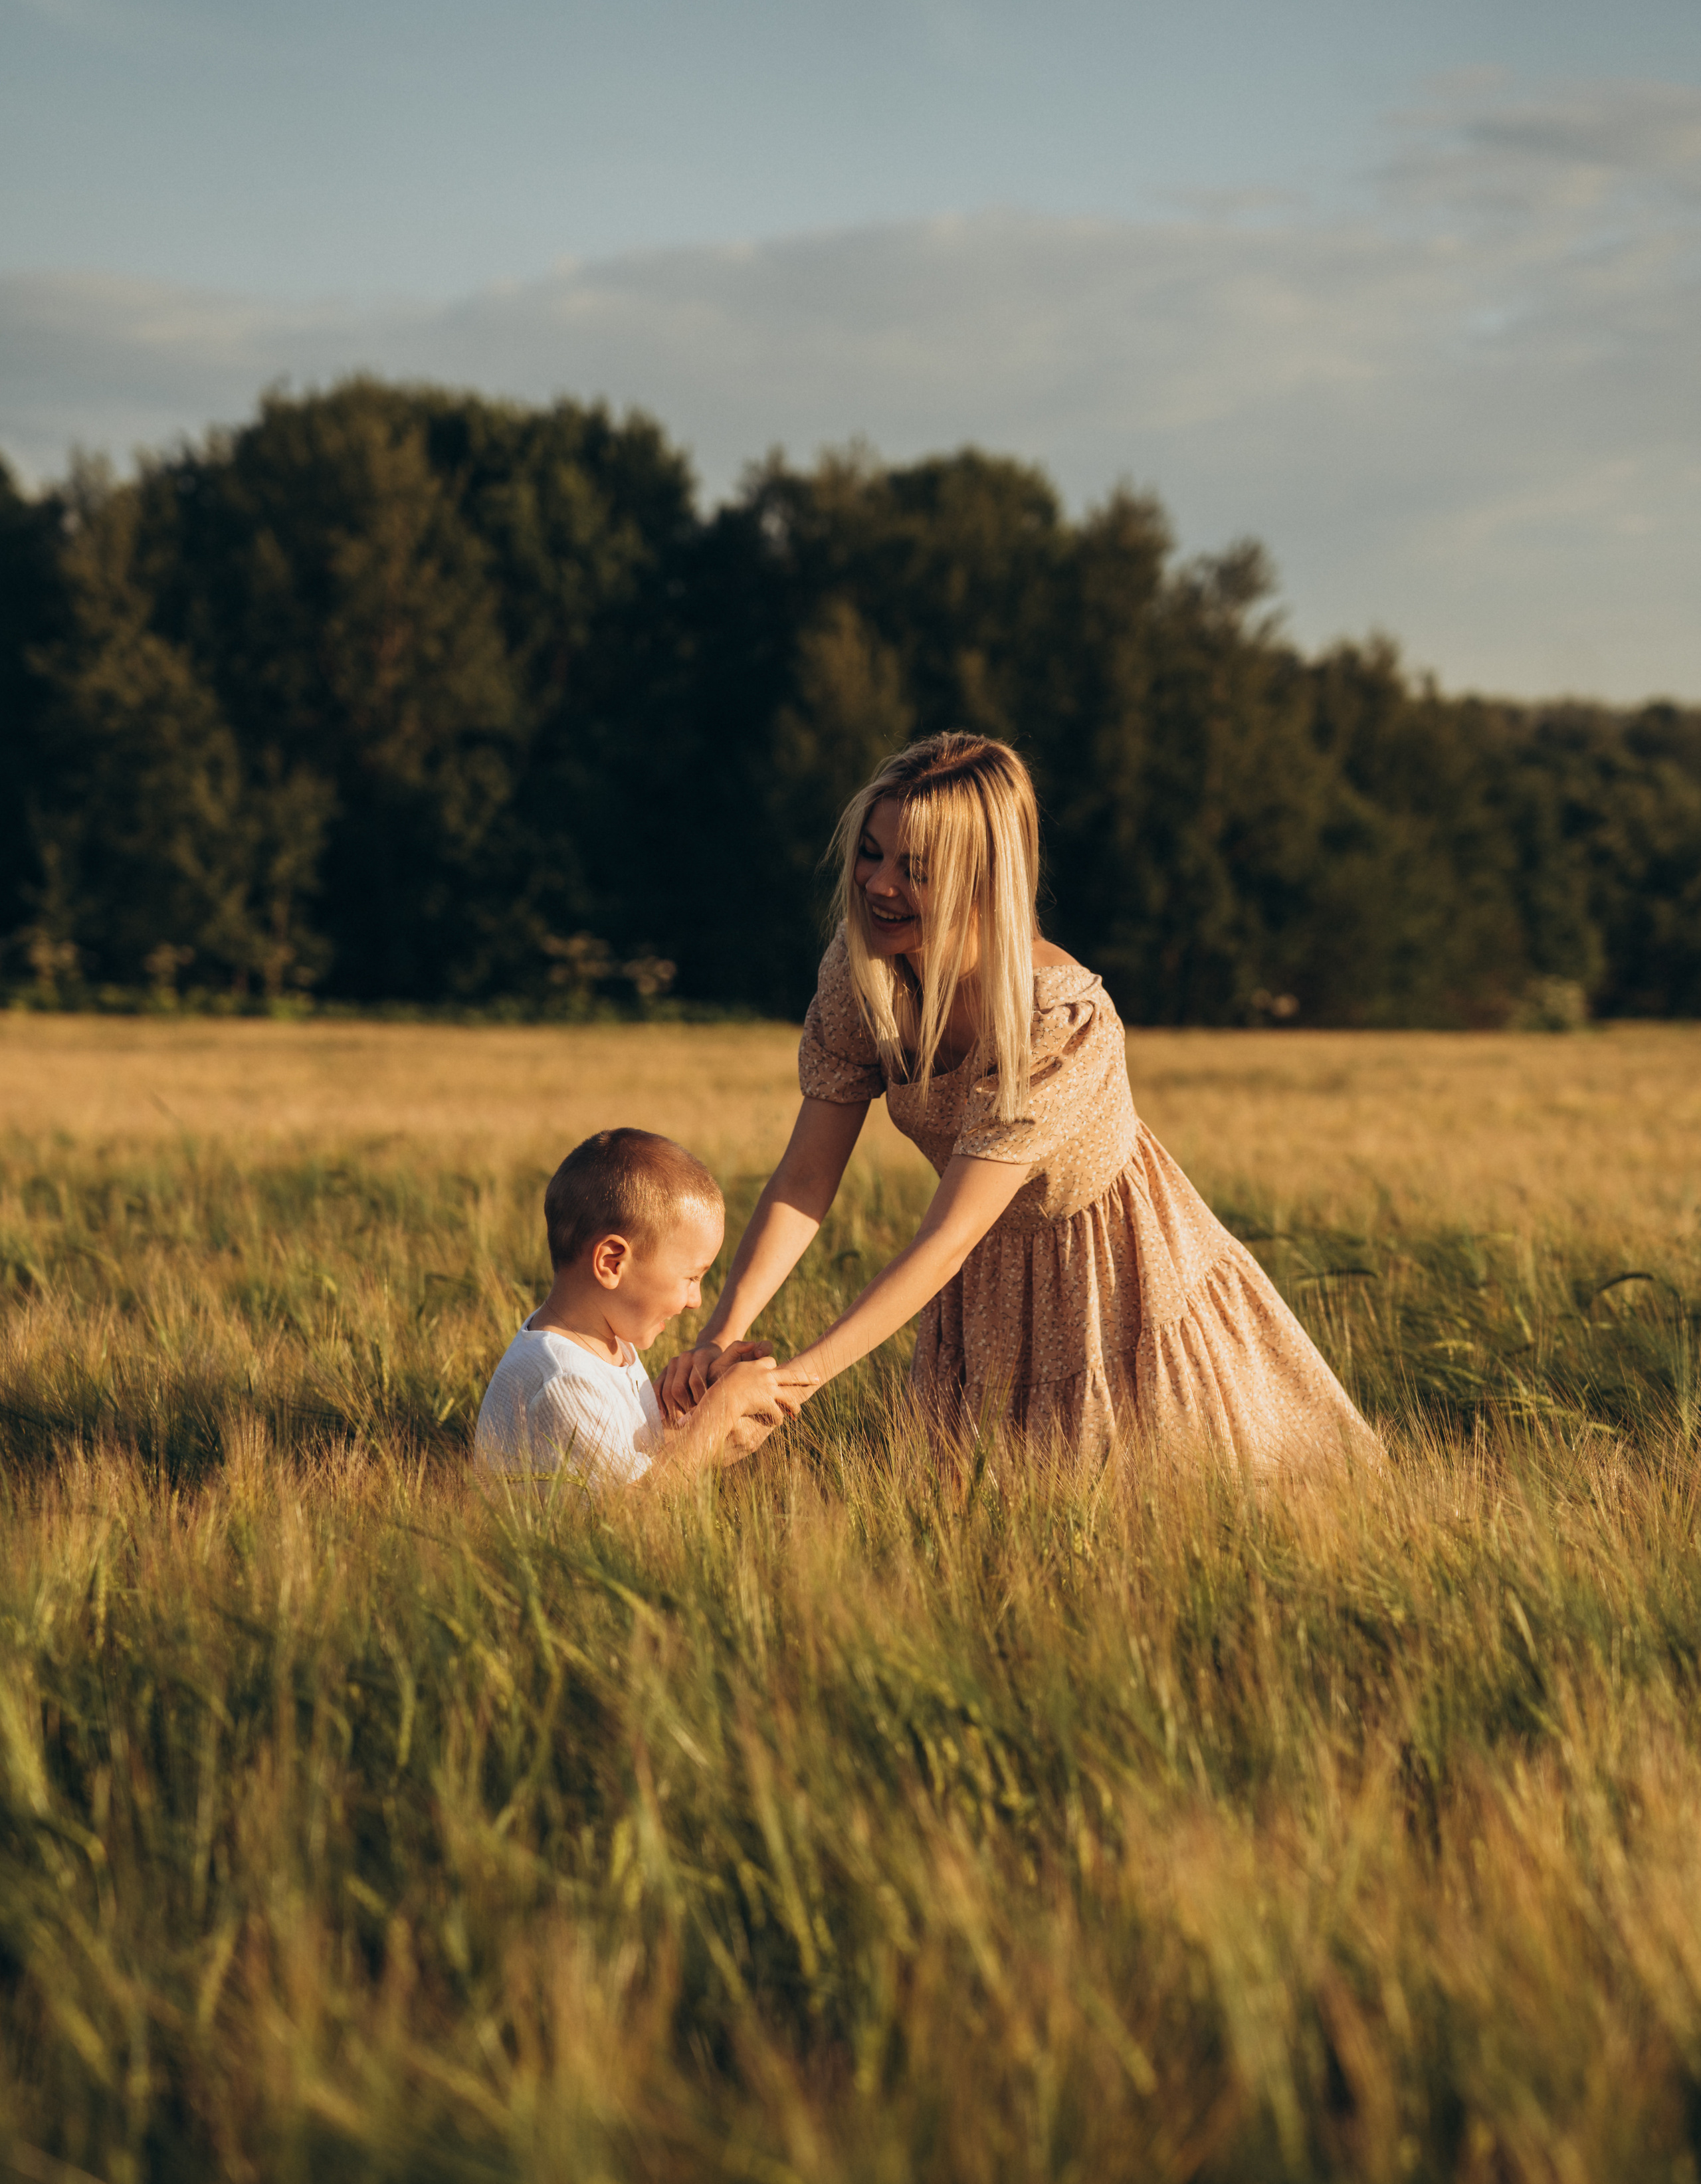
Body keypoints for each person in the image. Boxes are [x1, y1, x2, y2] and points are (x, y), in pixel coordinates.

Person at [658, 733, 1380, 1472]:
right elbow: (806, 1178)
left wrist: (790, 1385)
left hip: (1111, 1283)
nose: (878, 885)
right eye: (871, 853)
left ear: (984, 879)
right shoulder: (864, 968)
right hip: (981, 1293)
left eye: (917, 870)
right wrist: (722, 1335)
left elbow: (946, 1235)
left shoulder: (1058, 1020)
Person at [476, 1128, 783, 1486]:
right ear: (612, 1263)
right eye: (691, 1278)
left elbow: (629, 1465)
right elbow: (632, 1516)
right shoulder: (565, 1381)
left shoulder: (609, 1343)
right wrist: (723, 1408)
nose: (696, 1301)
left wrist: (692, 1414)